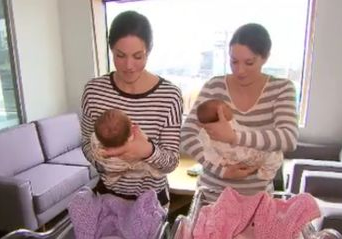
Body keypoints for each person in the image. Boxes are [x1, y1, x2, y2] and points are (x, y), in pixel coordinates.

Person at [181, 23, 298, 200]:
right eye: (233, 61)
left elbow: (288, 138)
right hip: (212, 197)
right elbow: (187, 134)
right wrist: (221, 170)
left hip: (256, 201)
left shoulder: (281, 89)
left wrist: (234, 137)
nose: (239, 70)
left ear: (265, 57)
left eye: (249, 62)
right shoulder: (215, 87)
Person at [81, 11, 183, 206]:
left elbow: (171, 162)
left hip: (151, 202)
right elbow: (86, 141)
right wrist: (106, 162)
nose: (128, 65)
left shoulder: (169, 96)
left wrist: (147, 151)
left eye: (138, 56)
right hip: (107, 197)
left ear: (149, 50)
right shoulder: (94, 91)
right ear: (110, 49)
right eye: (120, 55)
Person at [196, 99, 284, 181]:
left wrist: (220, 161)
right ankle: (267, 173)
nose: (230, 108)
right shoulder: (229, 125)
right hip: (248, 153)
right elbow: (246, 133)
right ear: (221, 114)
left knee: (268, 155)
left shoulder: (204, 133)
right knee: (272, 155)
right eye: (227, 107)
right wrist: (223, 171)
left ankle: (265, 172)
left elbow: (208, 153)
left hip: (237, 159)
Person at [91, 108, 161, 185]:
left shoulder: (97, 139)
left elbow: (95, 142)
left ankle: (111, 178)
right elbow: (145, 142)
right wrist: (138, 133)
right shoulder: (135, 137)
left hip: (112, 167)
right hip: (124, 166)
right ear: (130, 131)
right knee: (146, 167)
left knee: (111, 167)